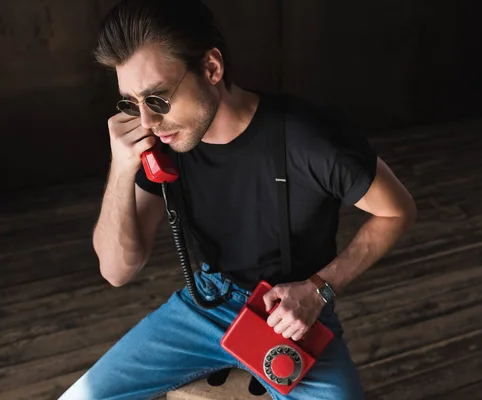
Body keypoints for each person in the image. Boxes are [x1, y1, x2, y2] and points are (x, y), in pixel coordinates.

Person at [59, 0, 417, 399]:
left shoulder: (311, 138)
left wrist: (319, 289)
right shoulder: (161, 141)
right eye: (131, 104)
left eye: (158, 99)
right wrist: (122, 168)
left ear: (212, 68)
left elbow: (397, 211)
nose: (147, 122)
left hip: (293, 311)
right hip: (206, 302)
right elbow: (116, 271)